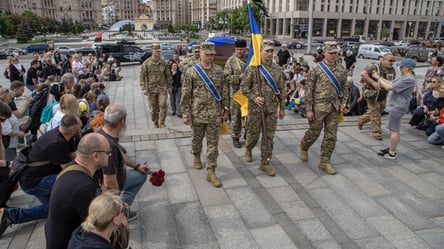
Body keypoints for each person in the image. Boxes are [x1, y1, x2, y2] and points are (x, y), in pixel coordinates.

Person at [0, 114, 81, 239]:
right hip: (35, 181)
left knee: (52, 210)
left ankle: (10, 216)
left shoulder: (63, 135)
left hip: (34, 178)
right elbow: (68, 170)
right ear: (73, 130)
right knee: (70, 183)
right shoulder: (57, 143)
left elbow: (73, 155)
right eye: (79, 125)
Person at [44, 133, 110, 249]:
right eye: (108, 151)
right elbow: (100, 225)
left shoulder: (73, 168)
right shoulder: (84, 187)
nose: (110, 154)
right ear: (95, 156)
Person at [180, 42, 229, 187]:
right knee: (197, 139)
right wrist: (184, 113)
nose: (209, 57)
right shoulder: (192, 72)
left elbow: (223, 91)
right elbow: (186, 94)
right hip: (197, 113)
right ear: (200, 53)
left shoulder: (219, 71)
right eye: (207, 54)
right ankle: (196, 155)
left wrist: (225, 109)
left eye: (212, 54)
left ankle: (211, 171)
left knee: (213, 144)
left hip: (214, 114)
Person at [299, 41, 347, 175]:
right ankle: (304, 146)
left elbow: (344, 88)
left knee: (331, 135)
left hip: (334, 107)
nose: (333, 55)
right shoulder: (316, 69)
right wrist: (308, 109)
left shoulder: (341, 69)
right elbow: (308, 90)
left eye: (335, 53)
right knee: (314, 132)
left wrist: (343, 104)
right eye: (331, 53)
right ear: (325, 53)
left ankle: (325, 161)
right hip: (318, 107)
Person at [240, 40, 286, 177]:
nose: (270, 54)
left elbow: (282, 89)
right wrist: (254, 97)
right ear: (260, 52)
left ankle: (265, 162)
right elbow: (243, 88)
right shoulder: (253, 68)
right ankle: (248, 148)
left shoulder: (277, 69)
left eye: (272, 51)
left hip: (271, 109)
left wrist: (282, 107)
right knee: (253, 134)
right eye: (267, 51)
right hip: (256, 109)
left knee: (269, 137)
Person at [95, 105, 148, 213]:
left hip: (116, 175)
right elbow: (109, 182)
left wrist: (137, 166)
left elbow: (120, 153)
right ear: (122, 121)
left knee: (140, 175)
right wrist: (115, 206)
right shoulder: (110, 147)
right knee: (140, 178)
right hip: (112, 183)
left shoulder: (100, 131)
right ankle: (121, 211)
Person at [375, 59, 417, 159]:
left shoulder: (409, 79)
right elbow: (391, 83)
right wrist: (380, 77)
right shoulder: (404, 77)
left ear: (407, 68)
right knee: (392, 128)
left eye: (401, 66)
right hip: (397, 105)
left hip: (399, 106)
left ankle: (391, 152)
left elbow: (389, 87)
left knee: (394, 130)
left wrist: (378, 78)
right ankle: (391, 148)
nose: (399, 68)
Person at [358, 53, 396, 140]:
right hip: (372, 95)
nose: (392, 62)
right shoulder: (375, 67)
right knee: (376, 115)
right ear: (384, 60)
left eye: (393, 61)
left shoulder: (392, 70)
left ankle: (361, 120)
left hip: (383, 95)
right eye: (390, 60)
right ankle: (376, 132)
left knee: (377, 112)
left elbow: (390, 81)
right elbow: (363, 73)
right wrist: (373, 82)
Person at [140, 43, 173, 128]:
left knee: (163, 105)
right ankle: (155, 122)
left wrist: (169, 86)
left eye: (159, 51)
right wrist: (143, 88)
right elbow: (142, 76)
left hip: (162, 88)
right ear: (152, 51)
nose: (158, 53)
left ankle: (162, 122)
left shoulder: (163, 63)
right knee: (153, 109)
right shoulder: (146, 63)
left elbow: (168, 75)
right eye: (156, 51)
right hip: (151, 89)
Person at [224, 39, 248, 148]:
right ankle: (236, 137)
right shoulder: (231, 61)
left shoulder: (251, 60)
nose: (239, 52)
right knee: (236, 117)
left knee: (250, 116)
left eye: (241, 49)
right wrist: (238, 77)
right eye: (237, 49)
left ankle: (248, 134)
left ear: (246, 49)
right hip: (236, 95)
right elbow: (226, 77)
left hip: (249, 94)